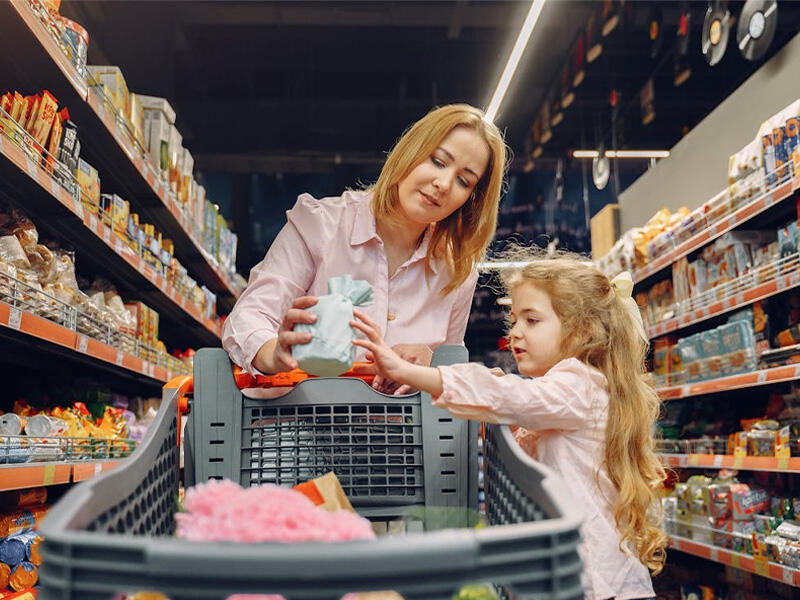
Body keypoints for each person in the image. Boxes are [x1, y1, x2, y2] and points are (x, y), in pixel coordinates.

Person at [349, 252, 666, 600]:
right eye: (514, 320)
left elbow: (507, 396)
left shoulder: (578, 383)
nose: (515, 332)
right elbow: (519, 403)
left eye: (532, 320)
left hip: (597, 584)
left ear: (581, 331)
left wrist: (407, 371)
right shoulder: (572, 389)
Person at [223, 104, 507, 393]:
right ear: (411, 151)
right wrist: (275, 352)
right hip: (300, 426)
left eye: (464, 181)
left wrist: (434, 366)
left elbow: (450, 369)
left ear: (471, 199)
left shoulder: (457, 270)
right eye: (437, 161)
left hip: (402, 435)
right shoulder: (320, 225)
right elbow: (248, 318)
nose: (443, 184)